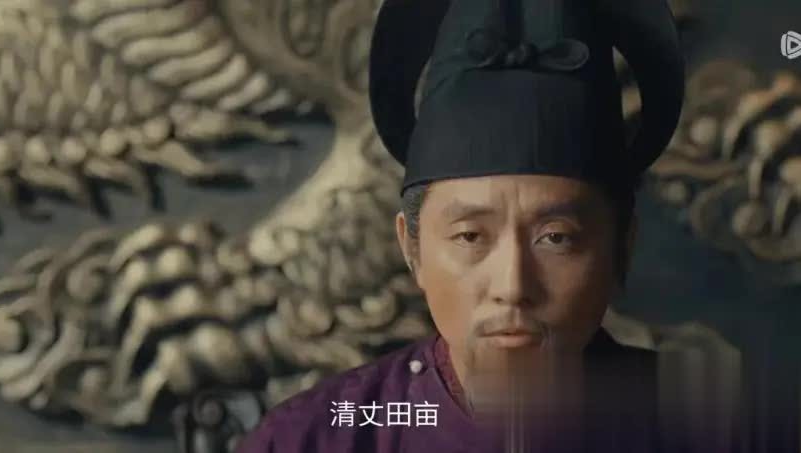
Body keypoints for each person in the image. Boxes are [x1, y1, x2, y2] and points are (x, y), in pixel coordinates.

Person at [236, 0, 684, 451]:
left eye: (555, 238)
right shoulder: (312, 438)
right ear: (412, 248)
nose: (512, 286)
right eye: (470, 236)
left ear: (621, 249)